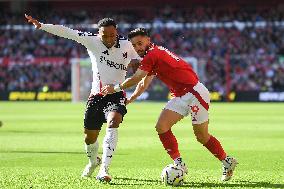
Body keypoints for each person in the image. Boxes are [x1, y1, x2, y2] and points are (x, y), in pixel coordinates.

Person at [101, 28, 238, 181]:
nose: (137, 48)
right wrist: (130, 100)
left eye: (140, 43)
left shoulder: (152, 55)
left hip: (195, 93)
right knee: (161, 126)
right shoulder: (152, 54)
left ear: (148, 40)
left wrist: (115, 88)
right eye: (134, 45)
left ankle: (227, 161)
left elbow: (136, 78)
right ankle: (179, 163)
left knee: (201, 136)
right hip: (181, 95)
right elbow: (143, 83)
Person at [25, 14, 140, 182]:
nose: (108, 38)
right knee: (89, 138)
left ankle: (104, 169)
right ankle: (94, 161)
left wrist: (136, 63)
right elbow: (67, 32)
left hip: (116, 94)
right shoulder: (91, 40)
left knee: (113, 122)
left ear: (116, 33)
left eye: (111, 35)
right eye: (104, 35)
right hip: (96, 96)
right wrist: (42, 26)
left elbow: (142, 59)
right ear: (98, 34)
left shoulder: (127, 45)